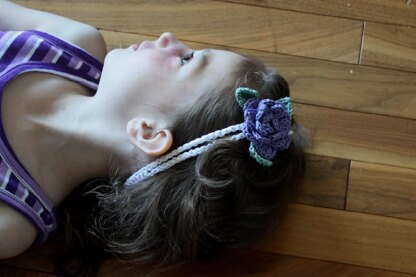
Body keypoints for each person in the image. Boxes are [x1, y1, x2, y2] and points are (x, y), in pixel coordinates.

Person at [0, 0, 306, 274]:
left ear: (149, 132)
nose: (168, 38)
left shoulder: (11, 222)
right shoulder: (70, 45)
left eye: (186, 60)